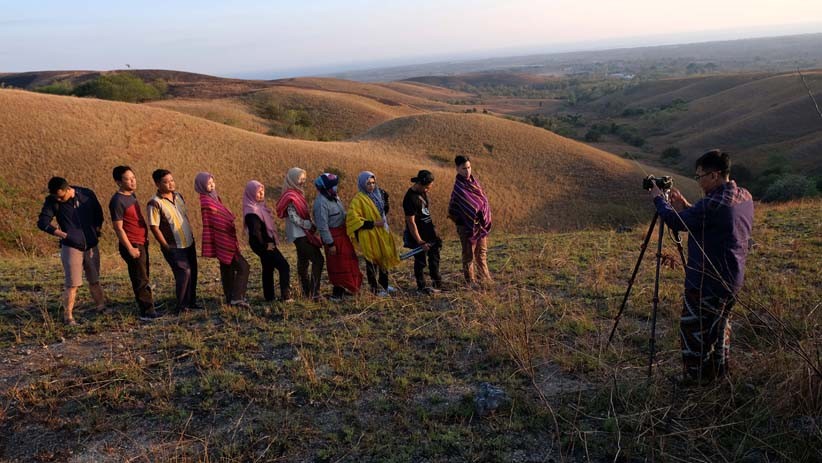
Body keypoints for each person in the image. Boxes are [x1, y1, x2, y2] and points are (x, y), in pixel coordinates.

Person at [649, 149, 754, 383]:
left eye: (700, 176)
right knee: (720, 327)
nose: (698, 181)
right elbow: (712, 222)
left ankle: (696, 380)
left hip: (707, 281)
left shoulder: (711, 205)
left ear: (715, 175)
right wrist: (686, 205)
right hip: (732, 279)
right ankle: (719, 373)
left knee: (694, 330)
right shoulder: (744, 196)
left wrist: (658, 198)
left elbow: (676, 222)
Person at [37, 177, 105, 325]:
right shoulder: (52, 201)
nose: (59, 199)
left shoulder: (86, 194)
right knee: (72, 283)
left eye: (61, 196)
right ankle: (68, 316)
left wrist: (96, 231)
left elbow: (98, 214)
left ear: (68, 189)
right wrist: (62, 234)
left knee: (94, 279)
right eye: (56, 197)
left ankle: (101, 307)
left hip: (91, 244)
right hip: (71, 246)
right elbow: (42, 222)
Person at [109, 166, 161, 321]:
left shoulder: (131, 196)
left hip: (141, 241)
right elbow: (118, 228)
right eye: (128, 179)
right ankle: (147, 311)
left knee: (144, 275)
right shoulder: (117, 201)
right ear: (118, 182)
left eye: (134, 177)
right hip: (132, 243)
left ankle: (148, 306)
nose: (133, 181)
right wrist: (130, 248)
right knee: (140, 277)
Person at [147, 169, 199, 313]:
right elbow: (154, 227)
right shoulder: (155, 203)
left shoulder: (178, 196)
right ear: (157, 184)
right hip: (173, 245)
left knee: (193, 271)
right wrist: (165, 245)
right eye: (166, 181)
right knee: (184, 272)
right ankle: (181, 306)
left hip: (188, 242)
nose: (170, 184)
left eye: (172, 180)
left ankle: (191, 302)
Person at [195, 172, 250, 308]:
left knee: (227, 268)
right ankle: (237, 298)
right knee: (243, 267)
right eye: (209, 183)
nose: (212, 185)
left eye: (213, 181)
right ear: (202, 185)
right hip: (223, 239)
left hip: (224, 238)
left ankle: (230, 298)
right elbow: (216, 221)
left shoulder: (213, 197)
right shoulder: (207, 201)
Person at [346, 171, 400, 296]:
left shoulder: (378, 195)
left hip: (381, 232)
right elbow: (354, 220)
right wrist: (374, 224)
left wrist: (386, 202)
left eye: (373, 183)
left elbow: (383, 213)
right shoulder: (358, 199)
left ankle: (384, 285)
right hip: (368, 234)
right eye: (368, 183)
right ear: (362, 184)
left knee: (383, 257)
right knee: (371, 261)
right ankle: (374, 289)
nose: (371, 186)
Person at [276, 168, 324, 301]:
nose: (303, 181)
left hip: (300, 233)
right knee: (318, 259)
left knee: (303, 262)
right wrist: (306, 224)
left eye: (304, 178)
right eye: (300, 178)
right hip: (299, 234)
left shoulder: (295, 193)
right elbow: (293, 216)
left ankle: (307, 291)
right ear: (292, 179)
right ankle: (314, 292)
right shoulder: (291, 196)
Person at [313, 173, 363, 300]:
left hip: (342, 235)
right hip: (333, 238)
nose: (336, 188)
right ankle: (337, 294)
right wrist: (330, 244)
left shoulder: (334, 197)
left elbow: (341, 213)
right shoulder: (321, 203)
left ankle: (345, 288)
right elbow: (323, 226)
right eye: (333, 185)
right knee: (337, 265)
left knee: (348, 263)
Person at [448, 155, 493, 287]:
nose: (467, 171)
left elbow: (482, 202)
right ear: (457, 169)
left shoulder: (474, 183)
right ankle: (470, 282)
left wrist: (483, 213)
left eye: (469, 167)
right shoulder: (459, 188)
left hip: (480, 226)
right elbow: (457, 208)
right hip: (466, 226)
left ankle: (484, 278)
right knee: (469, 255)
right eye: (463, 168)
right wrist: (473, 212)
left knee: (482, 253)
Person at [244, 180, 292, 303]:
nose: (261, 194)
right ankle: (285, 296)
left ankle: (269, 297)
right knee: (283, 265)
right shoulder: (252, 212)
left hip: (265, 243)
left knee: (268, 267)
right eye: (258, 192)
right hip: (264, 244)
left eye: (262, 191)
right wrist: (267, 246)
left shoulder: (259, 206)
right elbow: (255, 233)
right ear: (251, 193)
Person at [403, 170, 443, 294]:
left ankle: (438, 284)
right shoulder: (409, 198)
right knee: (420, 262)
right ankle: (421, 287)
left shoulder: (422, 192)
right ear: (420, 184)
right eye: (426, 187)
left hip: (429, 232)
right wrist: (419, 241)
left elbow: (425, 212)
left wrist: (433, 232)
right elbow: (411, 222)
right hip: (418, 235)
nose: (428, 190)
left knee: (435, 258)